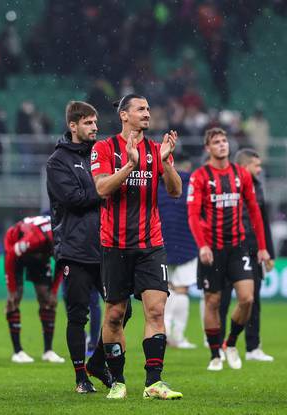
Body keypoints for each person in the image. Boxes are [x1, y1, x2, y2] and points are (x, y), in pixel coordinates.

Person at [91, 93, 183, 400]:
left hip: (150, 244)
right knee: (115, 314)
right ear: (124, 115)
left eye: (148, 108)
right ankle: (117, 381)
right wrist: (130, 165)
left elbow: (175, 191)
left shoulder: (156, 150)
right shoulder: (104, 148)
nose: (147, 113)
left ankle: (154, 382)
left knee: (156, 309)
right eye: (140, 109)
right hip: (114, 244)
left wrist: (166, 162)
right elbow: (102, 188)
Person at [47, 101, 129, 393]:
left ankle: (97, 363)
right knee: (78, 315)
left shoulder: (101, 154)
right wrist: (106, 188)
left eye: (96, 123)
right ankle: (81, 376)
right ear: (73, 126)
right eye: (89, 123)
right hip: (75, 248)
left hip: (107, 245)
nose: (95, 128)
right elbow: (74, 199)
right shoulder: (58, 161)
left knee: (123, 310)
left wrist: (106, 186)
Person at [187, 127, 270, 372]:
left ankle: (231, 342)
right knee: (212, 302)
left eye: (224, 141)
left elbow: (254, 211)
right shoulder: (200, 176)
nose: (222, 145)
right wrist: (202, 245)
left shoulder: (240, 175)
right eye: (217, 142)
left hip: (237, 247)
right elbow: (192, 214)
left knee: (247, 298)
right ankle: (215, 354)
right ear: (208, 148)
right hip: (212, 250)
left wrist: (263, 248)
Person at [219, 149, 275, 362]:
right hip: (227, 250)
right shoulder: (227, 185)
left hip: (252, 252)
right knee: (222, 301)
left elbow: (263, 220)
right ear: (243, 166)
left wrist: (268, 250)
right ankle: (220, 348)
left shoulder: (258, 186)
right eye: (256, 165)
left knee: (253, 301)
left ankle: (253, 348)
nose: (260, 169)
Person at [4, 215, 64, 363]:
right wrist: (11, 289)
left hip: (39, 253)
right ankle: (17, 352)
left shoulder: (64, 237)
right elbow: (12, 254)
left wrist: (54, 291)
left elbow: (62, 261)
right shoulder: (34, 239)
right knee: (15, 297)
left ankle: (48, 351)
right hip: (15, 247)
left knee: (47, 298)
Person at [159, 154, 198, 349]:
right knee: (182, 289)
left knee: (165, 290)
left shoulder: (158, 183)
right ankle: (178, 335)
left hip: (160, 243)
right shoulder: (192, 183)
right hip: (187, 243)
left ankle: (162, 331)